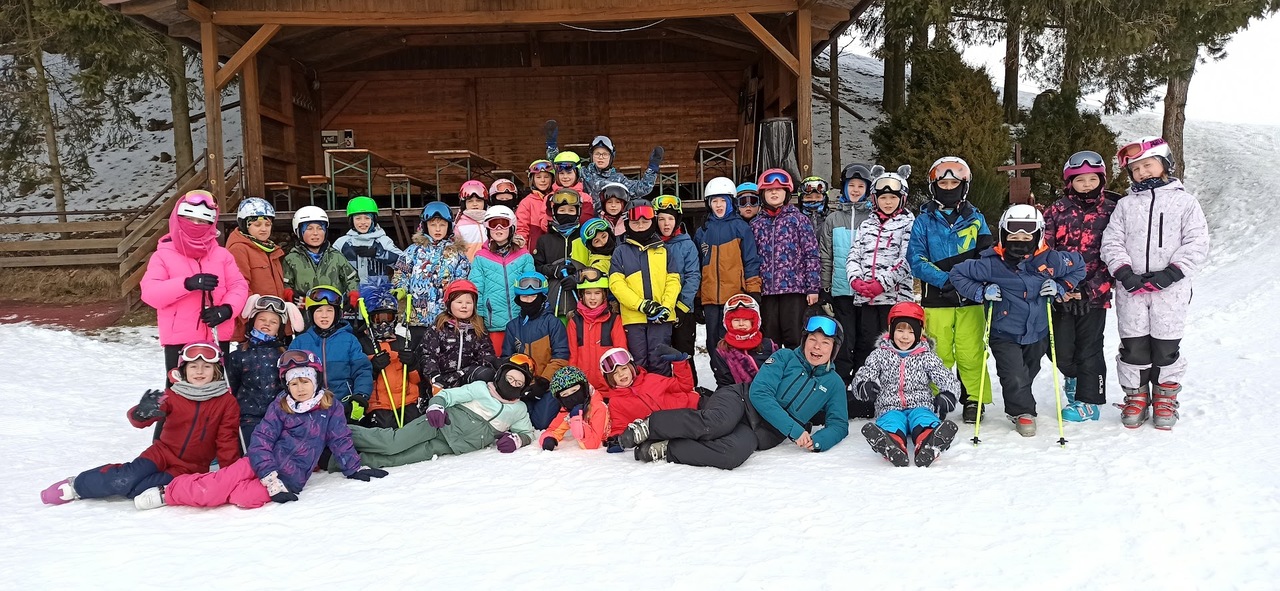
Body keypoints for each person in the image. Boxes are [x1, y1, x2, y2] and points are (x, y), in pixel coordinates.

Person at [132, 351, 386, 510]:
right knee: (215, 490)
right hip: (256, 463)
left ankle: (212, 487)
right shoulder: (281, 405)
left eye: (305, 381)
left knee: (243, 498)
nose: (299, 388)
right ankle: (169, 492)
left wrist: (354, 468)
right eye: (293, 383)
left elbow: (340, 439)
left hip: (290, 478)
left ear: (316, 381)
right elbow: (262, 440)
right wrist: (267, 474)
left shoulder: (330, 407)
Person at [41, 342, 241, 506]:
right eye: (193, 366)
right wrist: (141, 413)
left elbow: (227, 440)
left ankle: (133, 487)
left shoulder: (226, 402)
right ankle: (77, 485)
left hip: (189, 468)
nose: (199, 371)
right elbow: (138, 421)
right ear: (183, 370)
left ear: (216, 370)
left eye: (206, 366)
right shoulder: (171, 394)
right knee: (126, 478)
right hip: (161, 453)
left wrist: (231, 476)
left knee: (140, 490)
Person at [1100, 137, 1209, 430]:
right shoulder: (1125, 205)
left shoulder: (1185, 203)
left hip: (1170, 290)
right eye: (1135, 169)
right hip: (1132, 290)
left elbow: (1197, 242)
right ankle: (1136, 396)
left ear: (1164, 164)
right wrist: (1124, 273)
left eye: (1147, 165)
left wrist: (1170, 274)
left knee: (1165, 348)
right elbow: (1111, 241)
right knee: (1133, 347)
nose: (1141, 172)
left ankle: (1165, 398)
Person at [949, 204, 1086, 437]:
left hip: (1038, 330)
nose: (1019, 242)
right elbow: (957, 273)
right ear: (1003, 235)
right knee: (1013, 373)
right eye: (1013, 237)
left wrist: (1061, 286)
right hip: (1004, 331)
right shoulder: (991, 263)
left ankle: (1020, 397)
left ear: (1037, 236)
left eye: (1026, 237)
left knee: (1028, 371)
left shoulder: (1051, 260)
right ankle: (1023, 412)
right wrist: (981, 292)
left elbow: (1079, 266)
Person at [907, 157, 994, 423]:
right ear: (934, 187)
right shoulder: (924, 221)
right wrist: (946, 280)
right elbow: (916, 259)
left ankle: (974, 399)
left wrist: (969, 282)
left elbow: (987, 256)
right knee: (938, 352)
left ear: (963, 186)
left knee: (971, 351)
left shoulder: (976, 219)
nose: (948, 188)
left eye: (953, 184)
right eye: (943, 184)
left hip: (970, 301)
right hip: (937, 298)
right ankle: (938, 397)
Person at [340, 356, 539, 468]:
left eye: (518, 383)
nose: (512, 384)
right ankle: (338, 432)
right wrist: (436, 406)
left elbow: (527, 433)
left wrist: (517, 440)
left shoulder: (518, 409)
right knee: (392, 444)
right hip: (439, 424)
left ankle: (338, 460)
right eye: (510, 378)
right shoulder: (481, 388)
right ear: (501, 375)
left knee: (397, 459)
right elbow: (448, 395)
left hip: (451, 445)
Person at [1042, 151, 1122, 422]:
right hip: (1062, 293)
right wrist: (1058, 286)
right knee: (1059, 349)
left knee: (1089, 347)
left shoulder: (1112, 211)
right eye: (1080, 180)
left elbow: (1116, 253)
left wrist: (1091, 289)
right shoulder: (1056, 211)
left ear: (1101, 179)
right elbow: (1044, 251)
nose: (1086, 185)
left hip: (1094, 295)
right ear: (1069, 182)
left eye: (1092, 179)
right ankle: (1073, 377)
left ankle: (1089, 401)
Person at [141, 190, 249, 383]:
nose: (196, 225)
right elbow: (150, 293)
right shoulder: (162, 255)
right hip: (179, 341)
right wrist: (187, 284)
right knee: (179, 392)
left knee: (217, 391)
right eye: (190, 219)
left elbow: (239, 286)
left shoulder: (222, 255)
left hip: (217, 336)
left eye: (202, 221)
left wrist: (226, 310)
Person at [852, 302, 962, 467]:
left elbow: (946, 377)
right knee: (891, 421)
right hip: (889, 406)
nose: (905, 336)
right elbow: (865, 372)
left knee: (923, 419)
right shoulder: (880, 354)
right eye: (900, 330)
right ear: (891, 330)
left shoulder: (927, 356)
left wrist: (949, 394)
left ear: (919, 333)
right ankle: (891, 444)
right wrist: (863, 385)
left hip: (921, 404)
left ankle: (929, 441)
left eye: (911, 331)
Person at [845, 167, 917, 403]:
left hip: (894, 300)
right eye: (883, 197)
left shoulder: (908, 223)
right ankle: (866, 392)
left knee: (894, 344)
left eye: (892, 198)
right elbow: (854, 254)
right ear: (875, 199)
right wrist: (856, 279)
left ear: (902, 199)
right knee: (867, 344)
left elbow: (908, 259)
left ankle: (896, 392)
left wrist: (881, 283)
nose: (888, 202)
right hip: (867, 298)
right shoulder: (867, 224)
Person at [695, 177, 763, 387]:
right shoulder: (702, 231)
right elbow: (698, 266)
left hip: (734, 297)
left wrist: (753, 290)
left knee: (734, 341)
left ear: (730, 202)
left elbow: (750, 260)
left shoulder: (740, 227)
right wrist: (698, 297)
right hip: (710, 298)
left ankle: (740, 381)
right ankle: (722, 383)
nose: (718, 205)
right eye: (714, 201)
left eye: (722, 201)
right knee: (713, 342)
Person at [819, 163, 880, 393]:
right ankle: (841, 382)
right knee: (845, 338)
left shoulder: (873, 218)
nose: (855, 190)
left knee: (866, 338)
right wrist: (825, 287)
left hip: (867, 291)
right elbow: (826, 255)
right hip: (841, 290)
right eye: (851, 185)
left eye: (860, 186)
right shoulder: (833, 219)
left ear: (867, 189)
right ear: (844, 188)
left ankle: (863, 382)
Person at [748, 315, 850, 452]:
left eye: (825, 342)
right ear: (804, 341)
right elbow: (759, 392)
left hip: (768, 432)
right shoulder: (785, 356)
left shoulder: (834, 383)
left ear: (834, 349)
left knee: (732, 451)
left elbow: (839, 424)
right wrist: (793, 429)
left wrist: (819, 441)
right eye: (812, 339)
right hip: (743, 404)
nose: (817, 346)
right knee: (720, 424)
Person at [609, 199, 682, 375]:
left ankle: (662, 392)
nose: (640, 226)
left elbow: (673, 280)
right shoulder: (621, 252)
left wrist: (666, 306)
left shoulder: (664, 250)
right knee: (638, 361)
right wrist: (641, 304)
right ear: (628, 224)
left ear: (652, 221)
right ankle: (640, 393)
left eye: (645, 221)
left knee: (660, 360)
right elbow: (616, 284)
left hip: (661, 317)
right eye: (635, 223)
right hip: (634, 318)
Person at [752, 168, 820, 349]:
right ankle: (773, 367)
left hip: (794, 290)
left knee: (795, 338)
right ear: (762, 194)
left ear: (787, 193)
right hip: (766, 292)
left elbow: (811, 254)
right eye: (769, 190)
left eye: (778, 189)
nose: (774, 193)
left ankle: (795, 367)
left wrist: (813, 287)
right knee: (769, 340)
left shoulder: (799, 220)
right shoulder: (756, 224)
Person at [226, 294, 304, 448]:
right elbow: (231, 388)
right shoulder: (239, 355)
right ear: (253, 322)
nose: (267, 324)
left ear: (279, 329)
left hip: (279, 418)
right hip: (249, 418)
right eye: (262, 319)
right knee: (253, 452)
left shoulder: (286, 356)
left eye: (273, 322)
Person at [289, 285, 374, 421]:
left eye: (329, 310)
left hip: (344, 406)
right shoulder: (300, 343)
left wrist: (360, 396)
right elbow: (290, 376)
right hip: (310, 410)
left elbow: (362, 370)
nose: (324, 315)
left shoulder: (349, 340)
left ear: (337, 314)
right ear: (310, 314)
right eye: (319, 311)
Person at [598, 346, 700, 458]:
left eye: (624, 368)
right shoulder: (616, 402)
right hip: (673, 428)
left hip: (696, 408)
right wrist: (616, 439)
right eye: (615, 373)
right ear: (610, 379)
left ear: (632, 368)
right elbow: (619, 425)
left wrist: (679, 363)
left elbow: (684, 385)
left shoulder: (650, 379)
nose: (621, 374)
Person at [392, 202, 471, 345]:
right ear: (425, 226)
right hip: (416, 319)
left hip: (445, 318)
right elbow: (401, 273)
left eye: (442, 225)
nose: (438, 229)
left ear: (449, 226)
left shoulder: (457, 254)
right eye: (433, 225)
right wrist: (401, 288)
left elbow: (462, 282)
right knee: (417, 354)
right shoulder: (413, 251)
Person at [502, 272, 571, 429]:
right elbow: (507, 358)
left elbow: (561, 356)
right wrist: (516, 383)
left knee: (540, 423)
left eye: (533, 296)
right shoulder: (512, 327)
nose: (528, 301)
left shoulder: (553, 323)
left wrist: (544, 381)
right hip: (521, 386)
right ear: (518, 299)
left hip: (546, 385)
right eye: (524, 297)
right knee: (518, 420)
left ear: (541, 297)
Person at [470, 205, 534, 353]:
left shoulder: (524, 256)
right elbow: (476, 290)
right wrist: (479, 319)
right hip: (494, 325)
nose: (498, 228)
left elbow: (531, 289)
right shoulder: (481, 258)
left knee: (522, 361)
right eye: (493, 224)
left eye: (503, 224)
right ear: (488, 229)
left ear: (512, 227)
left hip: (521, 323)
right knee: (498, 361)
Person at [358, 279, 422, 429]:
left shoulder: (403, 342)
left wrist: (413, 364)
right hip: (379, 404)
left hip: (406, 401)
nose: (383, 324)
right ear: (370, 319)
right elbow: (358, 377)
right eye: (378, 319)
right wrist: (372, 369)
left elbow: (417, 379)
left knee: (414, 427)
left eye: (388, 318)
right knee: (385, 427)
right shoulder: (363, 344)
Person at [418, 279, 497, 398]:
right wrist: (434, 376)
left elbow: (485, 354)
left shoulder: (479, 328)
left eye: (469, 303)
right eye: (459, 302)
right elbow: (428, 355)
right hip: (442, 381)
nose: (464, 306)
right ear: (449, 304)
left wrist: (492, 363)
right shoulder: (439, 328)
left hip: (467, 381)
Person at [545, 123, 664, 199]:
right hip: (585, 221)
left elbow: (643, 188)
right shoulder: (583, 174)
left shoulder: (618, 179)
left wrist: (652, 168)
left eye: (605, 154)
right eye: (597, 154)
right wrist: (551, 146)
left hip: (608, 224)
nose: (601, 157)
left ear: (611, 157)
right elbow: (561, 167)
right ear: (591, 156)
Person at [226, 197, 286, 343]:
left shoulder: (270, 249)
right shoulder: (239, 249)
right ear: (245, 225)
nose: (264, 229)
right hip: (253, 324)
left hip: (274, 320)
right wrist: (250, 320)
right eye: (257, 224)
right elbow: (239, 287)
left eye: (267, 224)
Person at [654, 194, 701, 367]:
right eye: (661, 219)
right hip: (658, 310)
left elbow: (693, 276)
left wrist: (682, 306)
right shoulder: (651, 245)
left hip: (682, 310)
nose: (666, 224)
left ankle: (689, 383)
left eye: (670, 219)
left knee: (684, 355)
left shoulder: (687, 245)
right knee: (660, 356)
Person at [566, 267, 627, 392]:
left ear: (604, 295)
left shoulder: (614, 320)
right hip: (585, 389)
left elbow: (621, 354)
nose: (592, 298)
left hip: (610, 389)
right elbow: (572, 357)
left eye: (597, 293)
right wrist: (575, 385)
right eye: (588, 293)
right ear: (582, 295)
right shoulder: (574, 322)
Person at [533, 187, 590, 320]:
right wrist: (554, 270)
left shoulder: (585, 239)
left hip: (582, 306)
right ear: (554, 212)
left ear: (578, 212)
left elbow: (594, 266)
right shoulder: (544, 240)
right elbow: (537, 268)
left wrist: (578, 278)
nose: (566, 214)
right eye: (562, 210)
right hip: (553, 306)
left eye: (571, 210)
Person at [282, 205, 358, 302]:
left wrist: (352, 296)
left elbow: (352, 279)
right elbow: (284, 283)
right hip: (304, 308)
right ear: (299, 231)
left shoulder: (336, 257)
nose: (315, 233)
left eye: (320, 228)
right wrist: (290, 295)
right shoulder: (291, 259)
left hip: (332, 307)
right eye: (309, 228)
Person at [334, 196, 403, 284]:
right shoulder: (341, 243)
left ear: (373, 220)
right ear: (351, 221)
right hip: (351, 291)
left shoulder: (383, 241)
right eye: (358, 218)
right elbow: (329, 266)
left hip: (379, 290)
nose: (363, 222)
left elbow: (405, 264)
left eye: (367, 218)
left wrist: (379, 253)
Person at [539, 366, 610, 451]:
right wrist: (548, 438)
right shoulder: (568, 410)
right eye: (565, 394)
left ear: (584, 389)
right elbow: (554, 429)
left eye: (574, 390)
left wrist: (576, 419)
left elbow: (591, 444)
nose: (572, 398)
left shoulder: (598, 407)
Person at [715, 294, 778, 386]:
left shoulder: (768, 345)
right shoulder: (723, 351)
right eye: (736, 320)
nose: (741, 324)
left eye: (746, 319)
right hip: (738, 393)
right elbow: (725, 384)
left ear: (754, 321)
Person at [517, 159, 556, 247]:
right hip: (534, 249)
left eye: (546, 177)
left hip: (554, 247)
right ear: (532, 180)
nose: (543, 180)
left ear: (552, 179)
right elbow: (521, 229)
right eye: (538, 177)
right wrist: (522, 251)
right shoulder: (526, 202)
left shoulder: (557, 198)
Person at [452, 180, 490, 260]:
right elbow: (456, 249)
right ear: (464, 203)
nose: (475, 204)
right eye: (470, 201)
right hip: (469, 264)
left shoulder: (490, 221)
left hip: (489, 264)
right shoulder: (460, 225)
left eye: (479, 201)